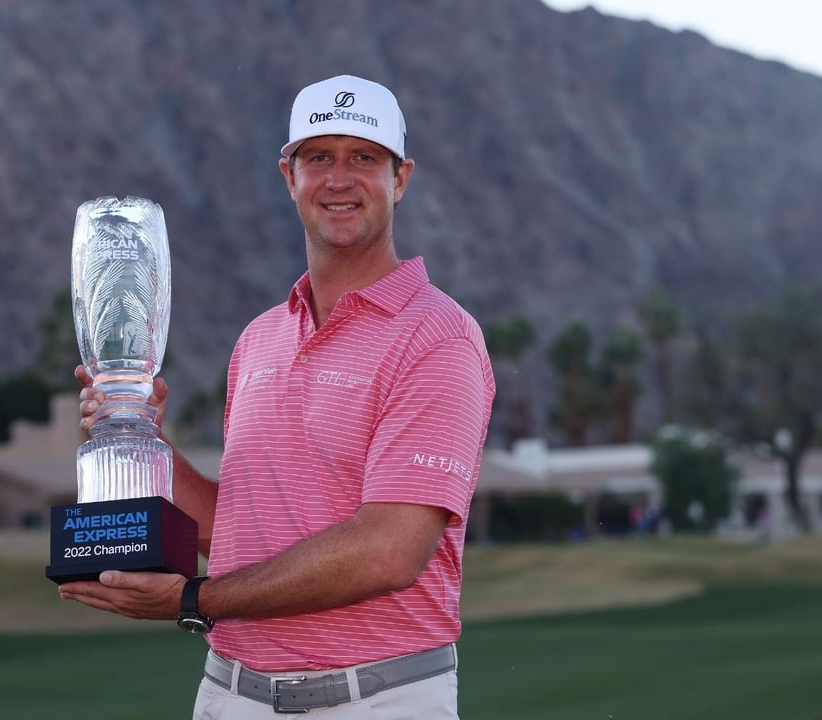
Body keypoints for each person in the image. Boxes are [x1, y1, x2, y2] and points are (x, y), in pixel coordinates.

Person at [60, 74, 495, 719]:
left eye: (364, 158)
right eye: (319, 156)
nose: (339, 179)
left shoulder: (438, 338)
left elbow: (390, 550)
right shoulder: (261, 339)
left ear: (400, 179)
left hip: (376, 698)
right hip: (230, 693)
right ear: (288, 175)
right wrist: (136, 435)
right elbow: (238, 533)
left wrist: (192, 598)